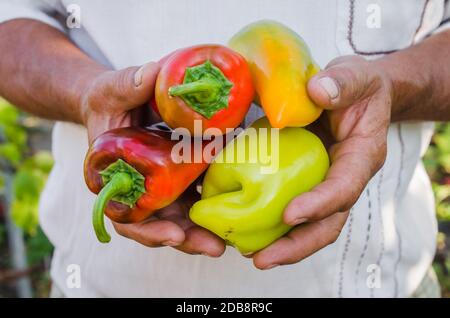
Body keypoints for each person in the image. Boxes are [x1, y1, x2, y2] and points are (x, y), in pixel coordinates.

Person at [0, 0, 449, 298]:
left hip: (375, 282)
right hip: (104, 284)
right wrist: (85, 92)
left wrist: (392, 86)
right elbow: (10, 23)